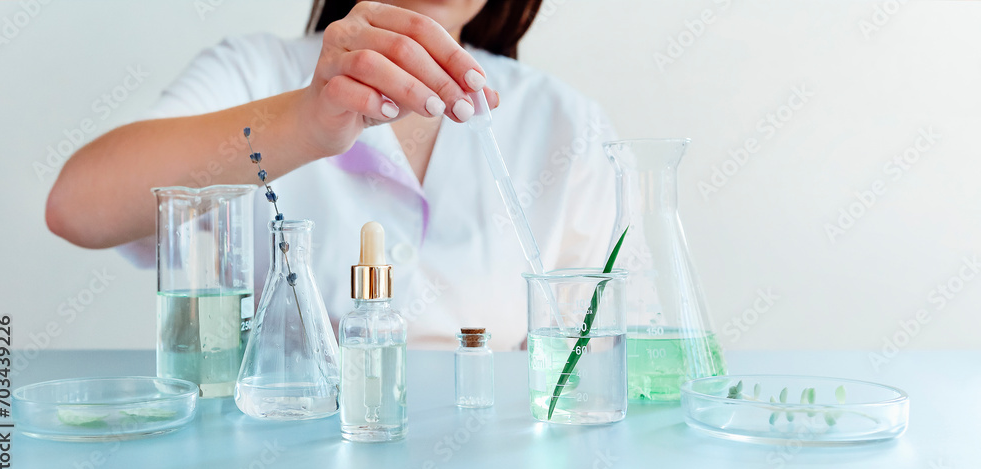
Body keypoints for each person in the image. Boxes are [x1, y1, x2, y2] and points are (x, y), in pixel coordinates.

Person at [45, 0, 617, 350]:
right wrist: (303, 125)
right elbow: (77, 206)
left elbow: (598, 353)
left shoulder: (564, 122)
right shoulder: (254, 72)